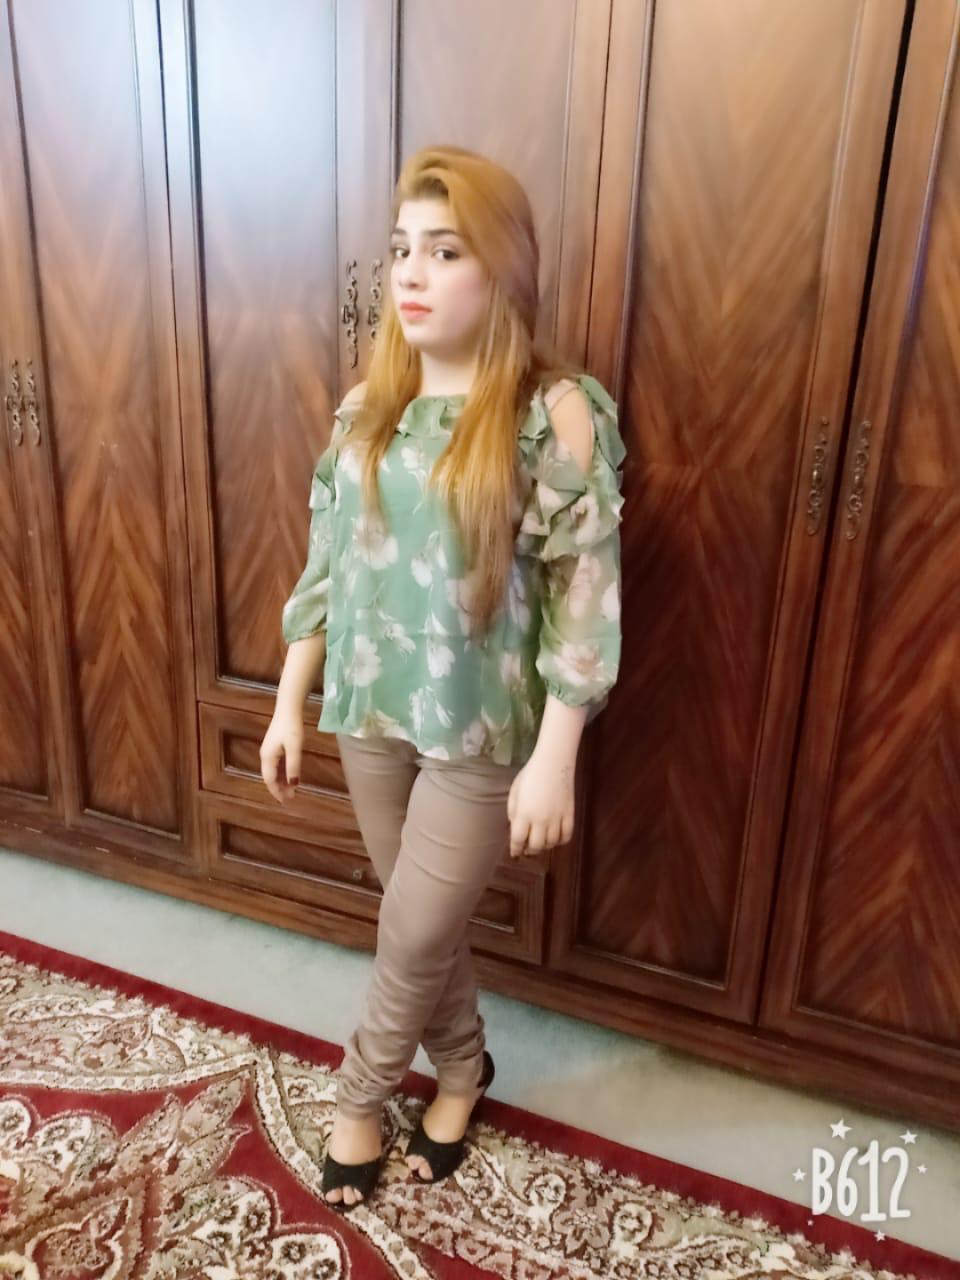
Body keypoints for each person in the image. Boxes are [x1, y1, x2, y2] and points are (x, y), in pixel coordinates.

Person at [260, 144, 627, 1212]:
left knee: (413, 930)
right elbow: (327, 567)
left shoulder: (555, 411)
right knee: (420, 924)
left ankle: (358, 1099)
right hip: (369, 706)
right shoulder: (368, 407)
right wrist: (288, 702)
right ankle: (464, 1069)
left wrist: (557, 754)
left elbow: (584, 589)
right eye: (402, 250)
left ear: (502, 268)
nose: (411, 274)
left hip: (479, 725)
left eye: (446, 250)